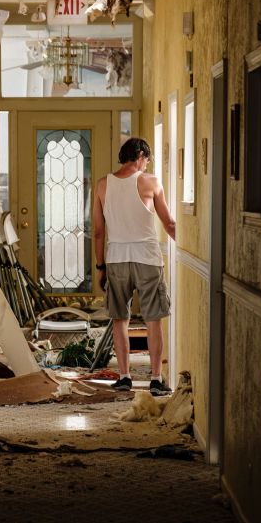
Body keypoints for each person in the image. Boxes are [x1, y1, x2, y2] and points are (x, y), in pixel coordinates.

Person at [92, 137, 176, 395]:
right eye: (146, 160)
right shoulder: (150, 182)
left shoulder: (103, 185)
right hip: (148, 258)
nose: (146, 166)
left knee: (120, 320)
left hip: (116, 259)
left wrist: (100, 267)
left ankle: (125, 376)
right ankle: (155, 379)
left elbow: (97, 231)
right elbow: (169, 223)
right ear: (140, 156)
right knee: (153, 320)